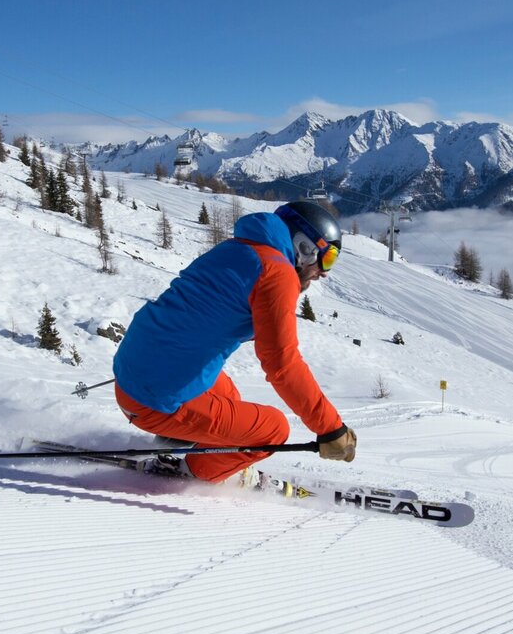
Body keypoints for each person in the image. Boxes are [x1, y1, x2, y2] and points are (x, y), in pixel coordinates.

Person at [112, 199, 357, 483]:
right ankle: (192, 472)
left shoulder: (238, 248)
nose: (324, 272)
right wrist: (331, 430)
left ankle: (179, 440)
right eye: (328, 258)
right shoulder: (277, 273)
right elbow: (282, 365)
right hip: (152, 400)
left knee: (227, 396)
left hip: (135, 372)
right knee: (272, 430)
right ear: (304, 247)